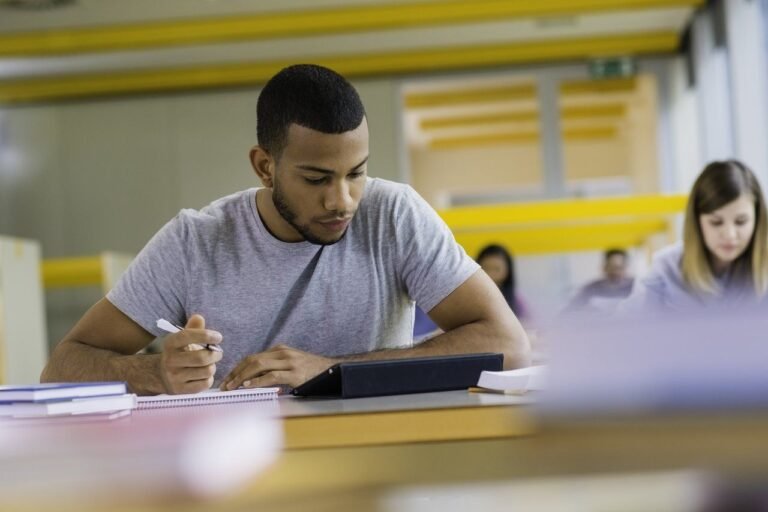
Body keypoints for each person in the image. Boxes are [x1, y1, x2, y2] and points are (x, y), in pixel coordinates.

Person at [41, 64, 530, 395]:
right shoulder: (194, 241)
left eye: (356, 173)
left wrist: (331, 371)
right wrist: (156, 371)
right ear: (264, 167)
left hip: (376, 454)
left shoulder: (394, 213)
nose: (342, 201)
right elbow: (61, 368)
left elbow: (508, 346)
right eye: (316, 178)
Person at [622, 160, 768, 312]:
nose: (730, 235)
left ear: (757, 220)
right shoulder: (665, 272)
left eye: (741, 222)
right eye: (716, 222)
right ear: (697, 221)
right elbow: (624, 327)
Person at [413, 243, 529, 338]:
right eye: (486, 268)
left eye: (497, 269)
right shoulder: (467, 296)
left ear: (507, 271)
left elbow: (530, 325)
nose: (491, 275)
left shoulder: (516, 299)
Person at [565, 248, 634, 312]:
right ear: (604, 267)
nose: (615, 272)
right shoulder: (590, 289)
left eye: (619, 267)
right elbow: (569, 311)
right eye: (611, 267)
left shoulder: (636, 288)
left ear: (626, 267)